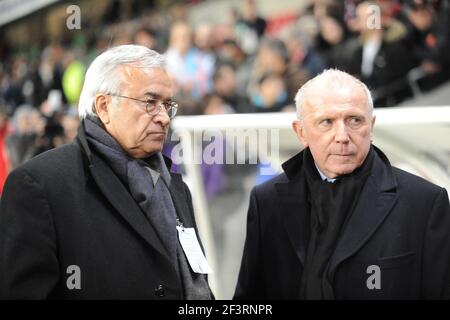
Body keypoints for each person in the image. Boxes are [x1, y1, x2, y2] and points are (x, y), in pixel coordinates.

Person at [0, 45, 213, 300]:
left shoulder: (175, 186)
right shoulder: (40, 185)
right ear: (103, 106)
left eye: (167, 104)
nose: (164, 118)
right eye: (149, 102)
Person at [234, 69, 450, 299]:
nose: (342, 136)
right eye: (326, 122)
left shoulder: (424, 203)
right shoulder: (267, 201)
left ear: (371, 126)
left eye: (355, 120)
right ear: (301, 132)